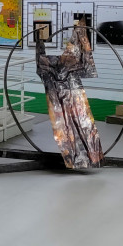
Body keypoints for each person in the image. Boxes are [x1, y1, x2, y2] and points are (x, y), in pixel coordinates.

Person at [35, 20, 103, 170]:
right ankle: (77, 157)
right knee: (66, 125)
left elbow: (86, 66)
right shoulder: (51, 67)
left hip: (72, 93)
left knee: (80, 123)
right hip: (59, 94)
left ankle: (87, 157)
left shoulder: (59, 65)